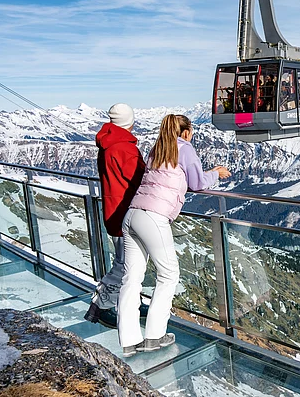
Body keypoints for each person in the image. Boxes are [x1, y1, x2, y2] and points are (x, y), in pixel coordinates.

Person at [117, 114, 230, 357]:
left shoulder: (158, 148)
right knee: (168, 275)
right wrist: (216, 172)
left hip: (132, 214)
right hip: (154, 217)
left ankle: (128, 340)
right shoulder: (185, 149)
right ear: (187, 132)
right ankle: (155, 336)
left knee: (131, 278)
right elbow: (197, 182)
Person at [85, 103, 146, 326]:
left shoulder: (108, 144)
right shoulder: (124, 148)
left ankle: (129, 302)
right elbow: (139, 179)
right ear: (129, 121)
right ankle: (101, 306)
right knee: (125, 263)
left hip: (114, 208)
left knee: (129, 262)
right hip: (125, 211)